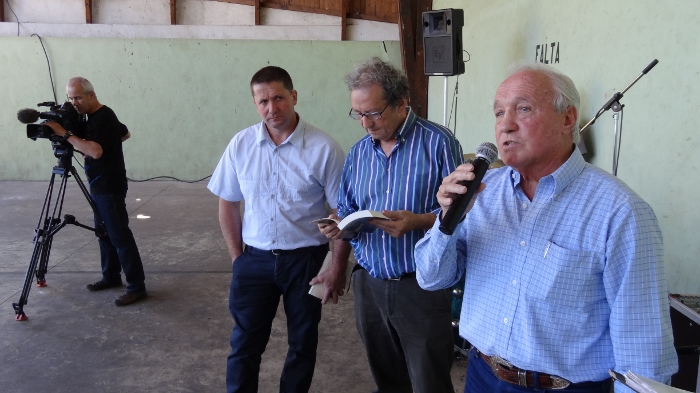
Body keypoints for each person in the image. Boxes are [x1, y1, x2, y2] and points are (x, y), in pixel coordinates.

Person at [415, 63, 678, 393]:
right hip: (482, 375)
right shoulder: (482, 192)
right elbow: (431, 277)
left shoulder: (620, 211)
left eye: (523, 109)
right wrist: (446, 220)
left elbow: (642, 343)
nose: (506, 125)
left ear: (567, 119)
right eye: (498, 113)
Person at [317, 57, 463, 393]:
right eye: (358, 113)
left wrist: (420, 221)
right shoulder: (358, 154)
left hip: (421, 287)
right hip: (369, 286)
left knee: (430, 382)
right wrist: (339, 224)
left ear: (401, 103)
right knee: (387, 380)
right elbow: (349, 208)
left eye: (373, 112)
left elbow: (464, 214)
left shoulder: (438, 143)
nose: (365, 123)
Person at [208, 66, 346, 393]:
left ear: (294, 97)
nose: (272, 108)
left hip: (306, 262)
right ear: (255, 104)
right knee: (244, 345)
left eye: (279, 98)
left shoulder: (323, 148)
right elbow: (228, 202)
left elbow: (342, 213)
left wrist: (337, 266)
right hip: (253, 262)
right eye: (263, 101)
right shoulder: (241, 145)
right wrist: (237, 258)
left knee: (302, 342)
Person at [45, 77, 147, 307]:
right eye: (70, 98)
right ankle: (110, 276)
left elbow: (97, 152)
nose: (74, 103)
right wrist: (89, 145)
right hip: (98, 183)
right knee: (103, 233)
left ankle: (137, 287)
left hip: (109, 185)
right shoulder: (90, 118)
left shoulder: (104, 116)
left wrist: (66, 135)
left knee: (119, 235)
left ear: (92, 95)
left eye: (78, 97)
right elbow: (124, 133)